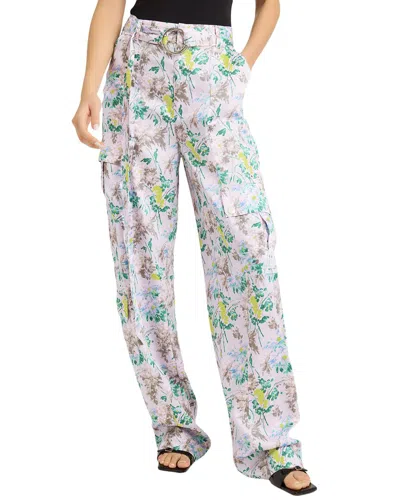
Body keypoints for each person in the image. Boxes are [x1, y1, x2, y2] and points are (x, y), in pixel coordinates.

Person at [72, 0, 317, 494]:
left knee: (247, 247)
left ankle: (270, 443)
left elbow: (269, 4)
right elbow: (111, 2)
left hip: (213, 71)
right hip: (138, 72)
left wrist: (241, 63)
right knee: (141, 254)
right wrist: (88, 89)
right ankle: (174, 425)